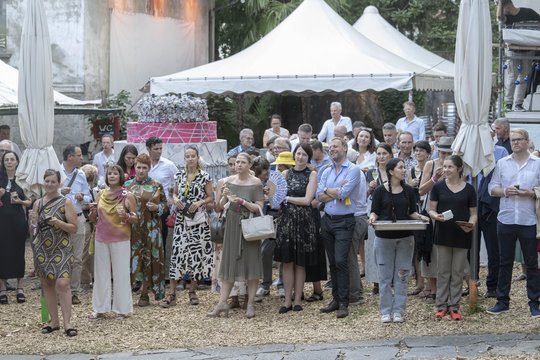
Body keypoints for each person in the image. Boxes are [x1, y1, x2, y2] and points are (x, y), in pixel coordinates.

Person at [487, 128, 540, 317]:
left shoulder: (537, 164)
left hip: (528, 219)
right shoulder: (502, 163)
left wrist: (531, 193)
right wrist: (504, 191)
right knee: (505, 261)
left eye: (519, 140)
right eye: (513, 140)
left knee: (532, 263)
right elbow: (492, 188)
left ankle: (535, 303)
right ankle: (502, 301)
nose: (515, 143)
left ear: (527, 141)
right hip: (507, 217)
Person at [368, 158, 429, 323]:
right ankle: (385, 311)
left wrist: (421, 217)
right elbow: (375, 211)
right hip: (384, 239)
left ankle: (399, 311)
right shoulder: (380, 191)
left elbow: (411, 212)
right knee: (385, 276)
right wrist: (372, 218)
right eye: (400, 167)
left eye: (404, 167)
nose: (404, 170)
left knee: (402, 275)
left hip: (405, 238)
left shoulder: (409, 190)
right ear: (391, 171)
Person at [208, 153, 264, 319]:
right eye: (237, 162)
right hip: (232, 225)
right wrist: (223, 194)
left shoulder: (256, 183)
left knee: (251, 264)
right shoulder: (229, 181)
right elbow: (219, 206)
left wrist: (242, 202)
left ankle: (251, 304)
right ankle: (222, 302)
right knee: (230, 263)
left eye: (242, 162)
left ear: (249, 165)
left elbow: (259, 207)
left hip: (249, 226)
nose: (238, 165)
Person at [162, 146, 213, 308]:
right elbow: (174, 193)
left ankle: (192, 290)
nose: (190, 159)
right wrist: (176, 199)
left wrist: (200, 201)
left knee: (196, 255)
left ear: (198, 158)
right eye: (187, 156)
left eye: (193, 156)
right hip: (182, 220)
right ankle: (171, 293)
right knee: (177, 254)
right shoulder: (179, 175)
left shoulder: (205, 176)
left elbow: (211, 197)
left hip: (198, 221)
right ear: (184, 158)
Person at [428, 155, 477, 321]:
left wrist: (470, 224)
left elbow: (474, 214)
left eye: (450, 167)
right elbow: (431, 209)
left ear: (459, 169)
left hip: (462, 235)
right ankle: (440, 305)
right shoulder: (438, 187)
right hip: (442, 234)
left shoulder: (469, 189)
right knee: (442, 272)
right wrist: (437, 217)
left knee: (457, 272)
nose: (446, 170)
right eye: (445, 166)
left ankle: (455, 306)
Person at [317, 137, 361, 318]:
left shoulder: (353, 170)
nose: (332, 149)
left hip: (344, 221)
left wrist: (329, 190)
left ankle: (344, 301)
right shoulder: (326, 171)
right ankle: (335, 299)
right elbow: (319, 196)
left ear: (345, 148)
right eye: (330, 147)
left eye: (336, 146)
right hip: (327, 220)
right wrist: (333, 190)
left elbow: (344, 194)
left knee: (341, 261)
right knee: (333, 262)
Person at [31, 169, 78, 336]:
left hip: (62, 247)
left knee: (63, 284)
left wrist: (58, 222)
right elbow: (34, 230)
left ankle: (68, 323)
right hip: (43, 248)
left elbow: (74, 228)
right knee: (47, 284)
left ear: (59, 183)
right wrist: (34, 222)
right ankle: (54, 322)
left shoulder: (66, 202)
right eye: (47, 181)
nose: (49, 184)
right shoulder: (37, 203)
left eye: (53, 181)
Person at [89, 165, 138, 320]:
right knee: (100, 273)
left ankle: (123, 309)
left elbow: (136, 218)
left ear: (120, 176)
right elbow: (93, 219)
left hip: (121, 238)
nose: (112, 176)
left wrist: (127, 216)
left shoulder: (127, 195)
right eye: (109, 173)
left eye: (115, 173)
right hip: (101, 237)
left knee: (121, 273)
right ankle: (99, 308)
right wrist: (92, 212)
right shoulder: (100, 194)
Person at [274, 143, 318, 313]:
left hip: (303, 222)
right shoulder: (285, 173)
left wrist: (287, 198)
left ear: (308, 158)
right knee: (287, 262)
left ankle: (298, 299)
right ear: (294, 155)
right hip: (286, 222)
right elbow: (276, 198)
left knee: (300, 263)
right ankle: (287, 300)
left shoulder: (312, 174)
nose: (300, 157)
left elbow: (307, 200)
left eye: (304, 155)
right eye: (298, 154)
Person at [125, 154, 167, 306]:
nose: (141, 170)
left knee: (150, 259)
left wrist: (157, 208)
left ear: (149, 169)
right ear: (134, 167)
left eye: (144, 168)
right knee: (132, 259)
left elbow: (165, 205)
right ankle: (127, 293)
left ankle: (145, 294)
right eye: (138, 167)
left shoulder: (156, 185)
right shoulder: (127, 185)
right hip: (132, 228)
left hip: (151, 228)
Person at [417, 136, 454, 304]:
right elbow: (421, 191)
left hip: (449, 211)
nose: (444, 156)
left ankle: (446, 288)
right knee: (430, 250)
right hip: (430, 211)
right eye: (442, 152)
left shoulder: (456, 165)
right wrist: (434, 178)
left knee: (446, 249)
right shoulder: (430, 165)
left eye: (448, 153)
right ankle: (433, 289)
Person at [60, 145, 91, 305]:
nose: (82, 158)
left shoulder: (80, 175)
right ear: (70, 157)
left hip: (78, 218)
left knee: (77, 258)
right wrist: (60, 193)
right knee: (61, 257)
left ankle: (74, 292)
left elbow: (88, 196)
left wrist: (82, 197)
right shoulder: (56, 172)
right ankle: (61, 291)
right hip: (60, 219)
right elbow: (47, 194)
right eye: (79, 155)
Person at [0, 151, 31, 304]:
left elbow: (30, 201)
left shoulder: (22, 179)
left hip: (18, 220)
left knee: (19, 252)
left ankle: (20, 287)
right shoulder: (0, 178)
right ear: (3, 162)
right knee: (2, 252)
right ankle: (3, 288)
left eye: (12, 159)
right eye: (6, 159)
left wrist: (20, 201)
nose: (9, 162)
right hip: (2, 221)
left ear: (17, 162)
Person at [498, 0, 540, 112]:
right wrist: (500, 4)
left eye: (503, 8)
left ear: (508, 5)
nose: (503, 11)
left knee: (524, 78)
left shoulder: (529, 12)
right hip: (513, 50)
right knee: (512, 77)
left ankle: (518, 104)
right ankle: (508, 103)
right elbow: (499, 17)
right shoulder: (506, 17)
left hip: (528, 50)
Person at [147, 136, 178, 252]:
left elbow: (179, 181)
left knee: (161, 238)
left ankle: (161, 266)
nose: (159, 151)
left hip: (162, 207)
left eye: (160, 148)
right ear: (148, 149)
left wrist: (171, 197)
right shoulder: (142, 165)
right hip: (145, 205)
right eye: (156, 149)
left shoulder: (168, 165)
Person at [409, 140, 432, 296]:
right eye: (416, 150)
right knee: (415, 248)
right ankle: (419, 283)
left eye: (421, 151)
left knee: (427, 248)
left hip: (428, 209)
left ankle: (430, 284)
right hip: (414, 210)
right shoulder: (411, 170)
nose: (418, 153)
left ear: (428, 153)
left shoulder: (432, 169)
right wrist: (409, 184)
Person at [79, 164, 98, 290]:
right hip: (85, 221)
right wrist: (89, 206)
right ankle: (84, 280)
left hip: (91, 222)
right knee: (85, 252)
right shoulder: (82, 189)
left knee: (89, 251)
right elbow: (78, 205)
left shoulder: (91, 188)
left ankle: (88, 277)